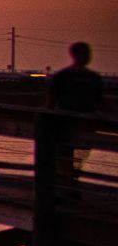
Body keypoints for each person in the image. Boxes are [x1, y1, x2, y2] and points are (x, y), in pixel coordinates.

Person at [47, 42, 104, 179]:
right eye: (84, 53)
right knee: (66, 159)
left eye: (87, 53)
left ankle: (69, 185)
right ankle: (67, 186)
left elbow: (101, 102)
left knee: (74, 161)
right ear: (75, 55)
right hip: (65, 125)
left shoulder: (93, 78)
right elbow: (51, 102)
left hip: (84, 126)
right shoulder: (64, 77)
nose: (87, 56)